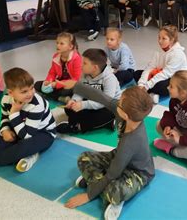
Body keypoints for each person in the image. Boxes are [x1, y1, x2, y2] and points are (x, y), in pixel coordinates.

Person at [64, 84, 154, 220]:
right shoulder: (123, 112)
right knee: (83, 158)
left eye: (121, 100)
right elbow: (101, 97)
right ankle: (97, 184)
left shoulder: (131, 141)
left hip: (138, 172)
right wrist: (75, 86)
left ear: (125, 114)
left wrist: (89, 195)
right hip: (118, 157)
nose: (117, 101)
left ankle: (98, 186)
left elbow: (113, 173)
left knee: (114, 193)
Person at [0, 68, 56, 172]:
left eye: (32, 88)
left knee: (25, 145)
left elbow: (27, 136)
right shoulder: (6, 99)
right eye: (24, 91)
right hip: (19, 130)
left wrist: (14, 113)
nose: (30, 93)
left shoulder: (37, 104)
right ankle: (27, 153)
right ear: (10, 92)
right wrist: (5, 130)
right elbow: (5, 117)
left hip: (43, 133)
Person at [56, 48, 121, 134]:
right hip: (92, 102)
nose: (81, 65)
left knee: (108, 114)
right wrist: (74, 100)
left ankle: (79, 127)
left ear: (95, 68)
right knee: (70, 109)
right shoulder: (85, 75)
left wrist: (83, 105)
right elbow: (80, 91)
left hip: (108, 106)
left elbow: (106, 101)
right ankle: (88, 122)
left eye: (85, 63)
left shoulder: (109, 79)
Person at [134, 25, 187, 104]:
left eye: (164, 38)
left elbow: (165, 74)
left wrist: (146, 86)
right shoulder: (159, 49)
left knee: (163, 86)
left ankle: (149, 92)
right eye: (159, 37)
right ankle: (150, 94)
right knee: (137, 74)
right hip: (160, 73)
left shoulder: (178, 54)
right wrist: (141, 84)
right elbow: (150, 67)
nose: (160, 41)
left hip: (174, 78)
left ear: (172, 40)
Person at [34, 32, 82, 103]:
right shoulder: (56, 56)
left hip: (71, 84)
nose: (58, 45)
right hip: (58, 82)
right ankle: (61, 98)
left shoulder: (76, 58)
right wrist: (48, 81)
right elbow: (52, 72)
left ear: (70, 46)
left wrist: (57, 84)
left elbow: (76, 79)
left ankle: (60, 96)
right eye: (57, 43)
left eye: (61, 43)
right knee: (37, 85)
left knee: (65, 91)